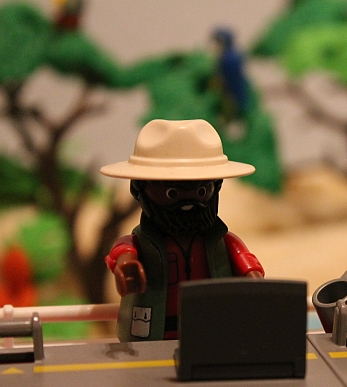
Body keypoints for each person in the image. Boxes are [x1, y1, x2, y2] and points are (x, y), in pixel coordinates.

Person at [101, 119, 264, 341]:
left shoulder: (220, 241)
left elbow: (245, 262)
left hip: (212, 329)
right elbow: (123, 250)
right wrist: (126, 264)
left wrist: (254, 282)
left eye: (201, 191)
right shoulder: (142, 242)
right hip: (155, 329)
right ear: (141, 190)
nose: (188, 202)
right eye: (172, 194)